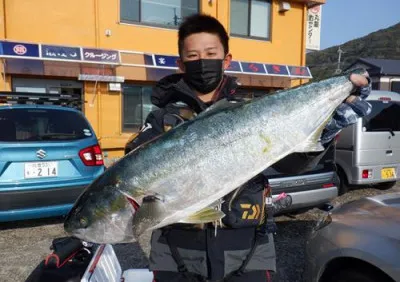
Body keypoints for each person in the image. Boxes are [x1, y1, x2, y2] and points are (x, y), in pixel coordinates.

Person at [128, 14, 372, 282]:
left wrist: (328, 126)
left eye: (210, 53)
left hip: (248, 248)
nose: (202, 62)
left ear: (226, 59)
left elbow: (292, 163)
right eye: (193, 56)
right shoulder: (162, 121)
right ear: (181, 64)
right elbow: (133, 173)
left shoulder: (252, 112)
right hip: (177, 251)